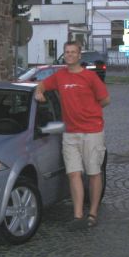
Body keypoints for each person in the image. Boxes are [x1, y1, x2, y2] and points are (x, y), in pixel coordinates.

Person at [34, 41, 110, 227]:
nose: (69, 55)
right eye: (66, 52)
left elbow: (106, 99)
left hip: (92, 131)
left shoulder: (90, 77)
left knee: (93, 173)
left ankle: (92, 213)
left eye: (72, 52)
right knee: (73, 174)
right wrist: (39, 92)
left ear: (79, 55)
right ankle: (77, 216)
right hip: (70, 133)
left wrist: (90, 111)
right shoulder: (60, 76)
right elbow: (42, 85)